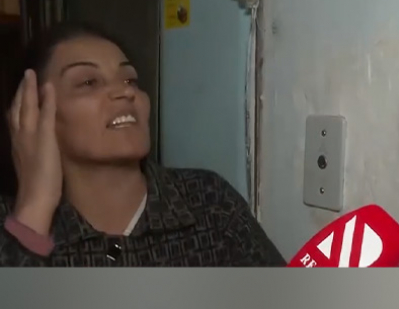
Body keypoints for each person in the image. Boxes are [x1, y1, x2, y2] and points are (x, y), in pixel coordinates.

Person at [0, 22, 286, 266]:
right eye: (88, 82)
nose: (124, 92)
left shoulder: (208, 202)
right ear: (30, 115)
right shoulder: (10, 224)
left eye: (130, 80)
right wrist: (34, 208)